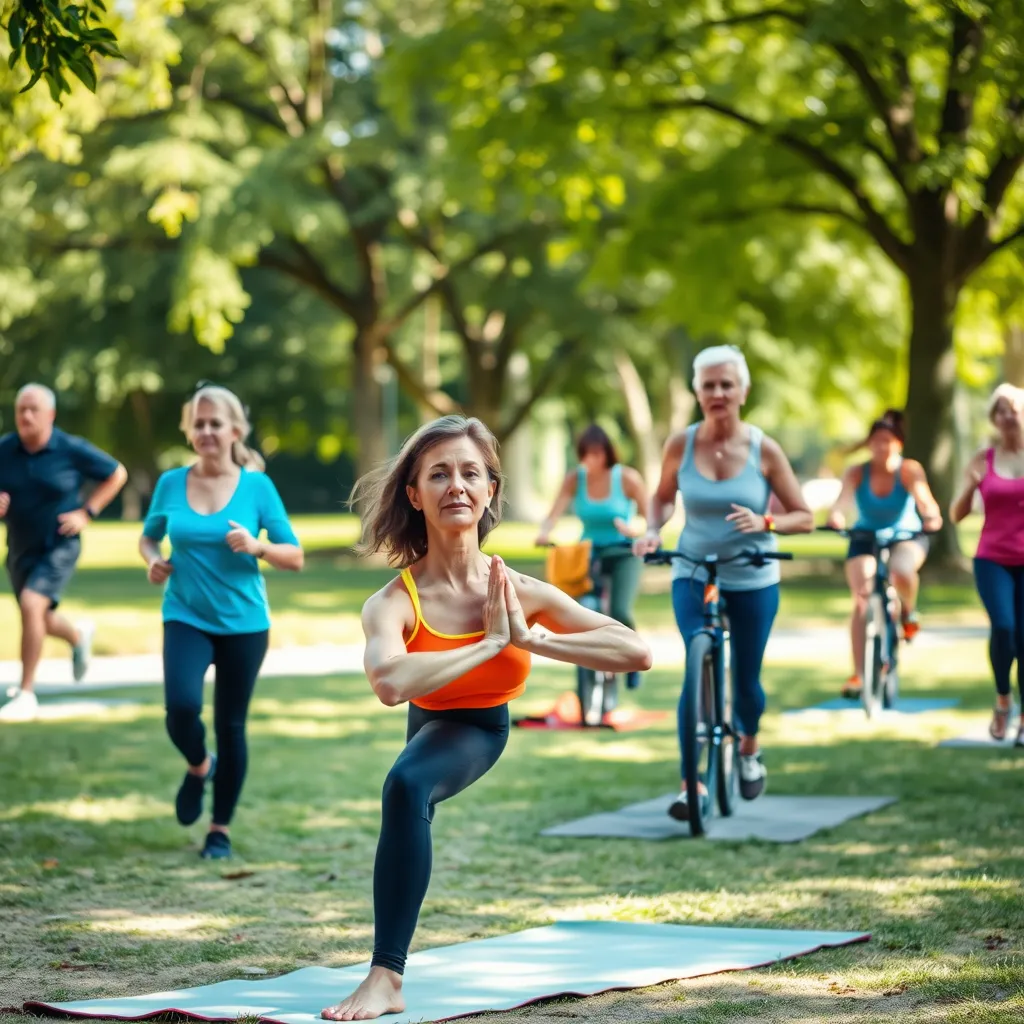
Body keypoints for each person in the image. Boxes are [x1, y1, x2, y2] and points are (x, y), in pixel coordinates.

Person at [321, 415, 651, 1022]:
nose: (457, 486)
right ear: (414, 494)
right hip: (427, 714)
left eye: (471, 473)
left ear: (490, 490)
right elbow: (391, 683)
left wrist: (533, 640)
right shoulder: (393, 601)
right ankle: (385, 978)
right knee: (408, 786)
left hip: (478, 726)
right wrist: (488, 644)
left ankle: (384, 978)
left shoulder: (516, 588)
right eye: (439, 474)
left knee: (406, 784)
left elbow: (635, 651)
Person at [635, 345, 812, 817]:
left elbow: (805, 516)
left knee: (747, 678)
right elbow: (662, 498)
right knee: (697, 664)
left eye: (726, 384)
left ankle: (748, 748)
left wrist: (766, 522)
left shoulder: (763, 448)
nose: (717, 393)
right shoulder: (681, 444)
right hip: (693, 568)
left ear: (743, 391)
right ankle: (690, 784)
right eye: (709, 385)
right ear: (696, 391)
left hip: (752, 573)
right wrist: (653, 530)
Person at [139, 384, 304, 860]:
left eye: (216, 423)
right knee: (181, 709)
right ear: (189, 430)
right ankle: (198, 765)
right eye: (199, 423)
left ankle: (219, 831)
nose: (207, 431)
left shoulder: (257, 486)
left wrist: (259, 547)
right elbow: (148, 538)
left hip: (244, 624)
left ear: (235, 430)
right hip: (185, 614)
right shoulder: (172, 482)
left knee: (232, 726)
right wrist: (153, 560)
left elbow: (294, 556)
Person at [0, 384, 127, 723]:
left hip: (59, 545)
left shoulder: (69, 448)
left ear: (50, 415)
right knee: (36, 617)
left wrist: (88, 512)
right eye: (20, 409)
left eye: (33, 409)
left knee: (31, 605)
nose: (25, 415)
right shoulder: (5, 450)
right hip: (20, 546)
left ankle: (26, 693)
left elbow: (117, 473)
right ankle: (77, 635)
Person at [826, 409, 943, 698]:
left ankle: (908, 612)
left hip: (906, 536)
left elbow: (924, 500)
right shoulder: (857, 472)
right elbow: (841, 503)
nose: (881, 447)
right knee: (861, 597)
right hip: (865, 536)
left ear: (898, 444)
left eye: (887, 440)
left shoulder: (909, 470)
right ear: (868, 444)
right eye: (876, 441)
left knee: (902, 572)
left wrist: (930, 516)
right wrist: (837, 518)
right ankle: (857, 673)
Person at [534, 423, 650, 687]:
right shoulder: (576, 479)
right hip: (588, 553)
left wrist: (635, 529)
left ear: (608, 453)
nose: (591, 460)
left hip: (623, 552)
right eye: (585, 454)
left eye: (596, 454)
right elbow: (553, 513)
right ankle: (589, 663)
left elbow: (649, 519)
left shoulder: (627, 478)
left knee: (621, 610)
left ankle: (634, 657)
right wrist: (544, 531)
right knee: (580, 611)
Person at [950, 383, 1024, 745]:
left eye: (1013, 408)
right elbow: (956, 514)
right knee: (1006, 628)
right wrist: (970, 487)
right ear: (994, 419)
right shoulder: (983, 459)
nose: (1008, 415)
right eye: (1001, 410)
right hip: (992, 558)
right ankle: (1002, 700)